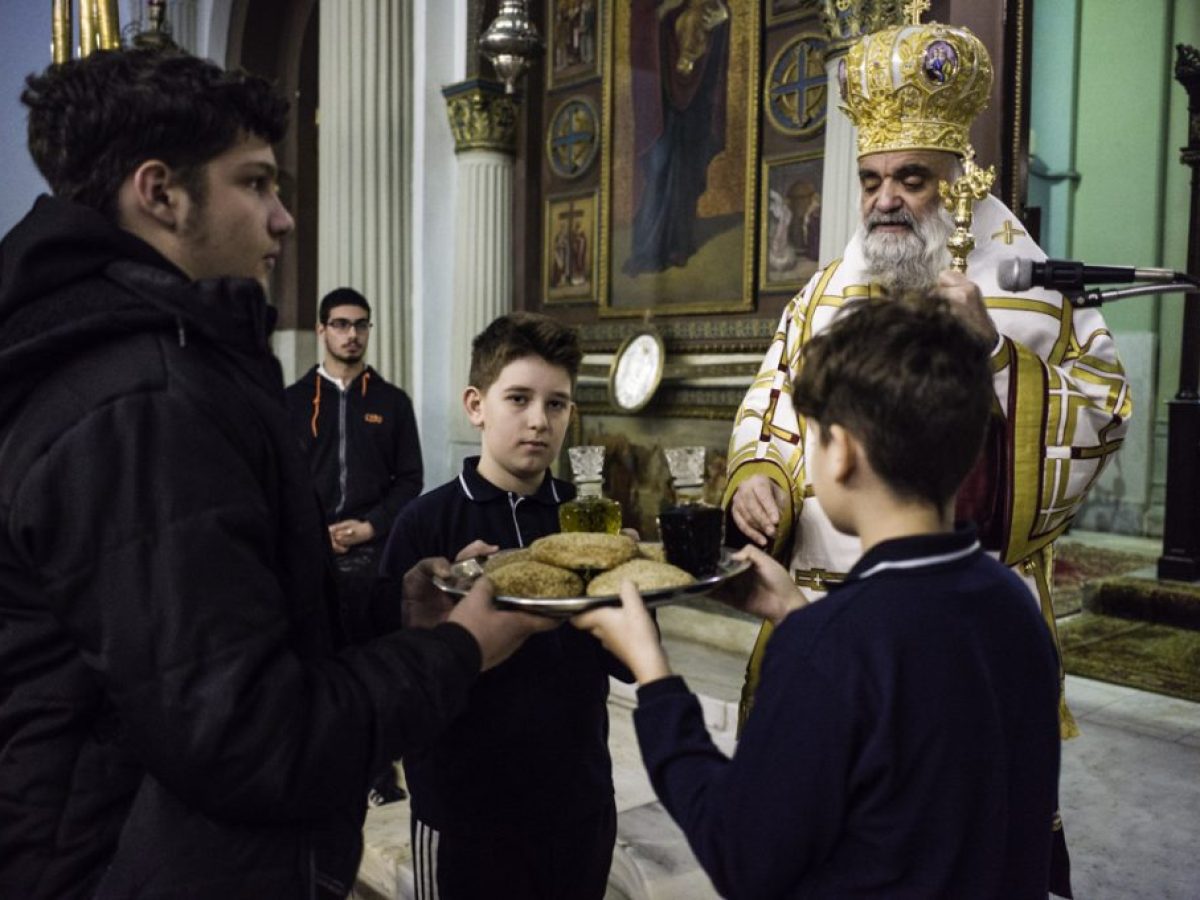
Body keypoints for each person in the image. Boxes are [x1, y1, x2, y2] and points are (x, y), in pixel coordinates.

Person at [0, 48, 550, 899]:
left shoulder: (156, 364)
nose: (284, 217)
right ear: (160, 193)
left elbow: (222, 634)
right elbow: (255, 736)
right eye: (256, 184)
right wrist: (460, 648)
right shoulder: (138, 398)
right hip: (135, 865)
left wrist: (388, 613)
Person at [575, 295, 1062, 898]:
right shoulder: (1015, 606)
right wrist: (792, 612)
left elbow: (741, 856)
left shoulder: (831, 646)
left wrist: (654, 676)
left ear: (842, 451)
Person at [379, 312, 631, 900]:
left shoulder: (590, 519)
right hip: (465, 811)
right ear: (476, 405)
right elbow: (394, 675)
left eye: (558, 404)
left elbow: (625, 665)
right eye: (518, 398)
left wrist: (626, 591)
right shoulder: (426, 523)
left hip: (578, 803)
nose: (539, 421)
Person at [286, 287, 423, 643]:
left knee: (373, 652)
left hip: (376, 551)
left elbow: (410, 480)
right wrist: (316, 533)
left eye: (361, 326)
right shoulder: (291, 402)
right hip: (309, 552)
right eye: (341, 325)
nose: (352, 335)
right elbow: (283, 482)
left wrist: (370, 526)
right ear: (322, 330)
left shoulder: (393, 402)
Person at [623, 0, 730, 273]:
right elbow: (644, 21)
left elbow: (716, 15)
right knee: (659, 168)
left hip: (693, 96)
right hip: (659, 95)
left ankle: (677, 245)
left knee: (684, 168)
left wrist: (719, 18)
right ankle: (648, 249)